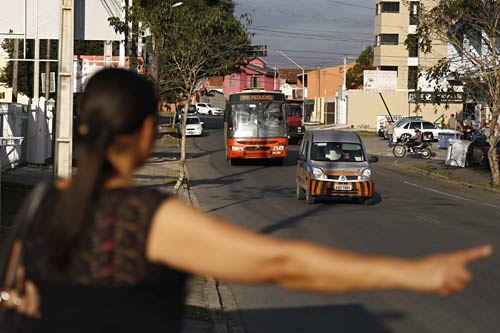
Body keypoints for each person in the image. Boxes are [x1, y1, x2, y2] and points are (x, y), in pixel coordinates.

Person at [1, 69, 492, 332]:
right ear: (150, 132)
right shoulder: (151, 219)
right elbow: (280, 263)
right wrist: (411, 273)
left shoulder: (41, 200)